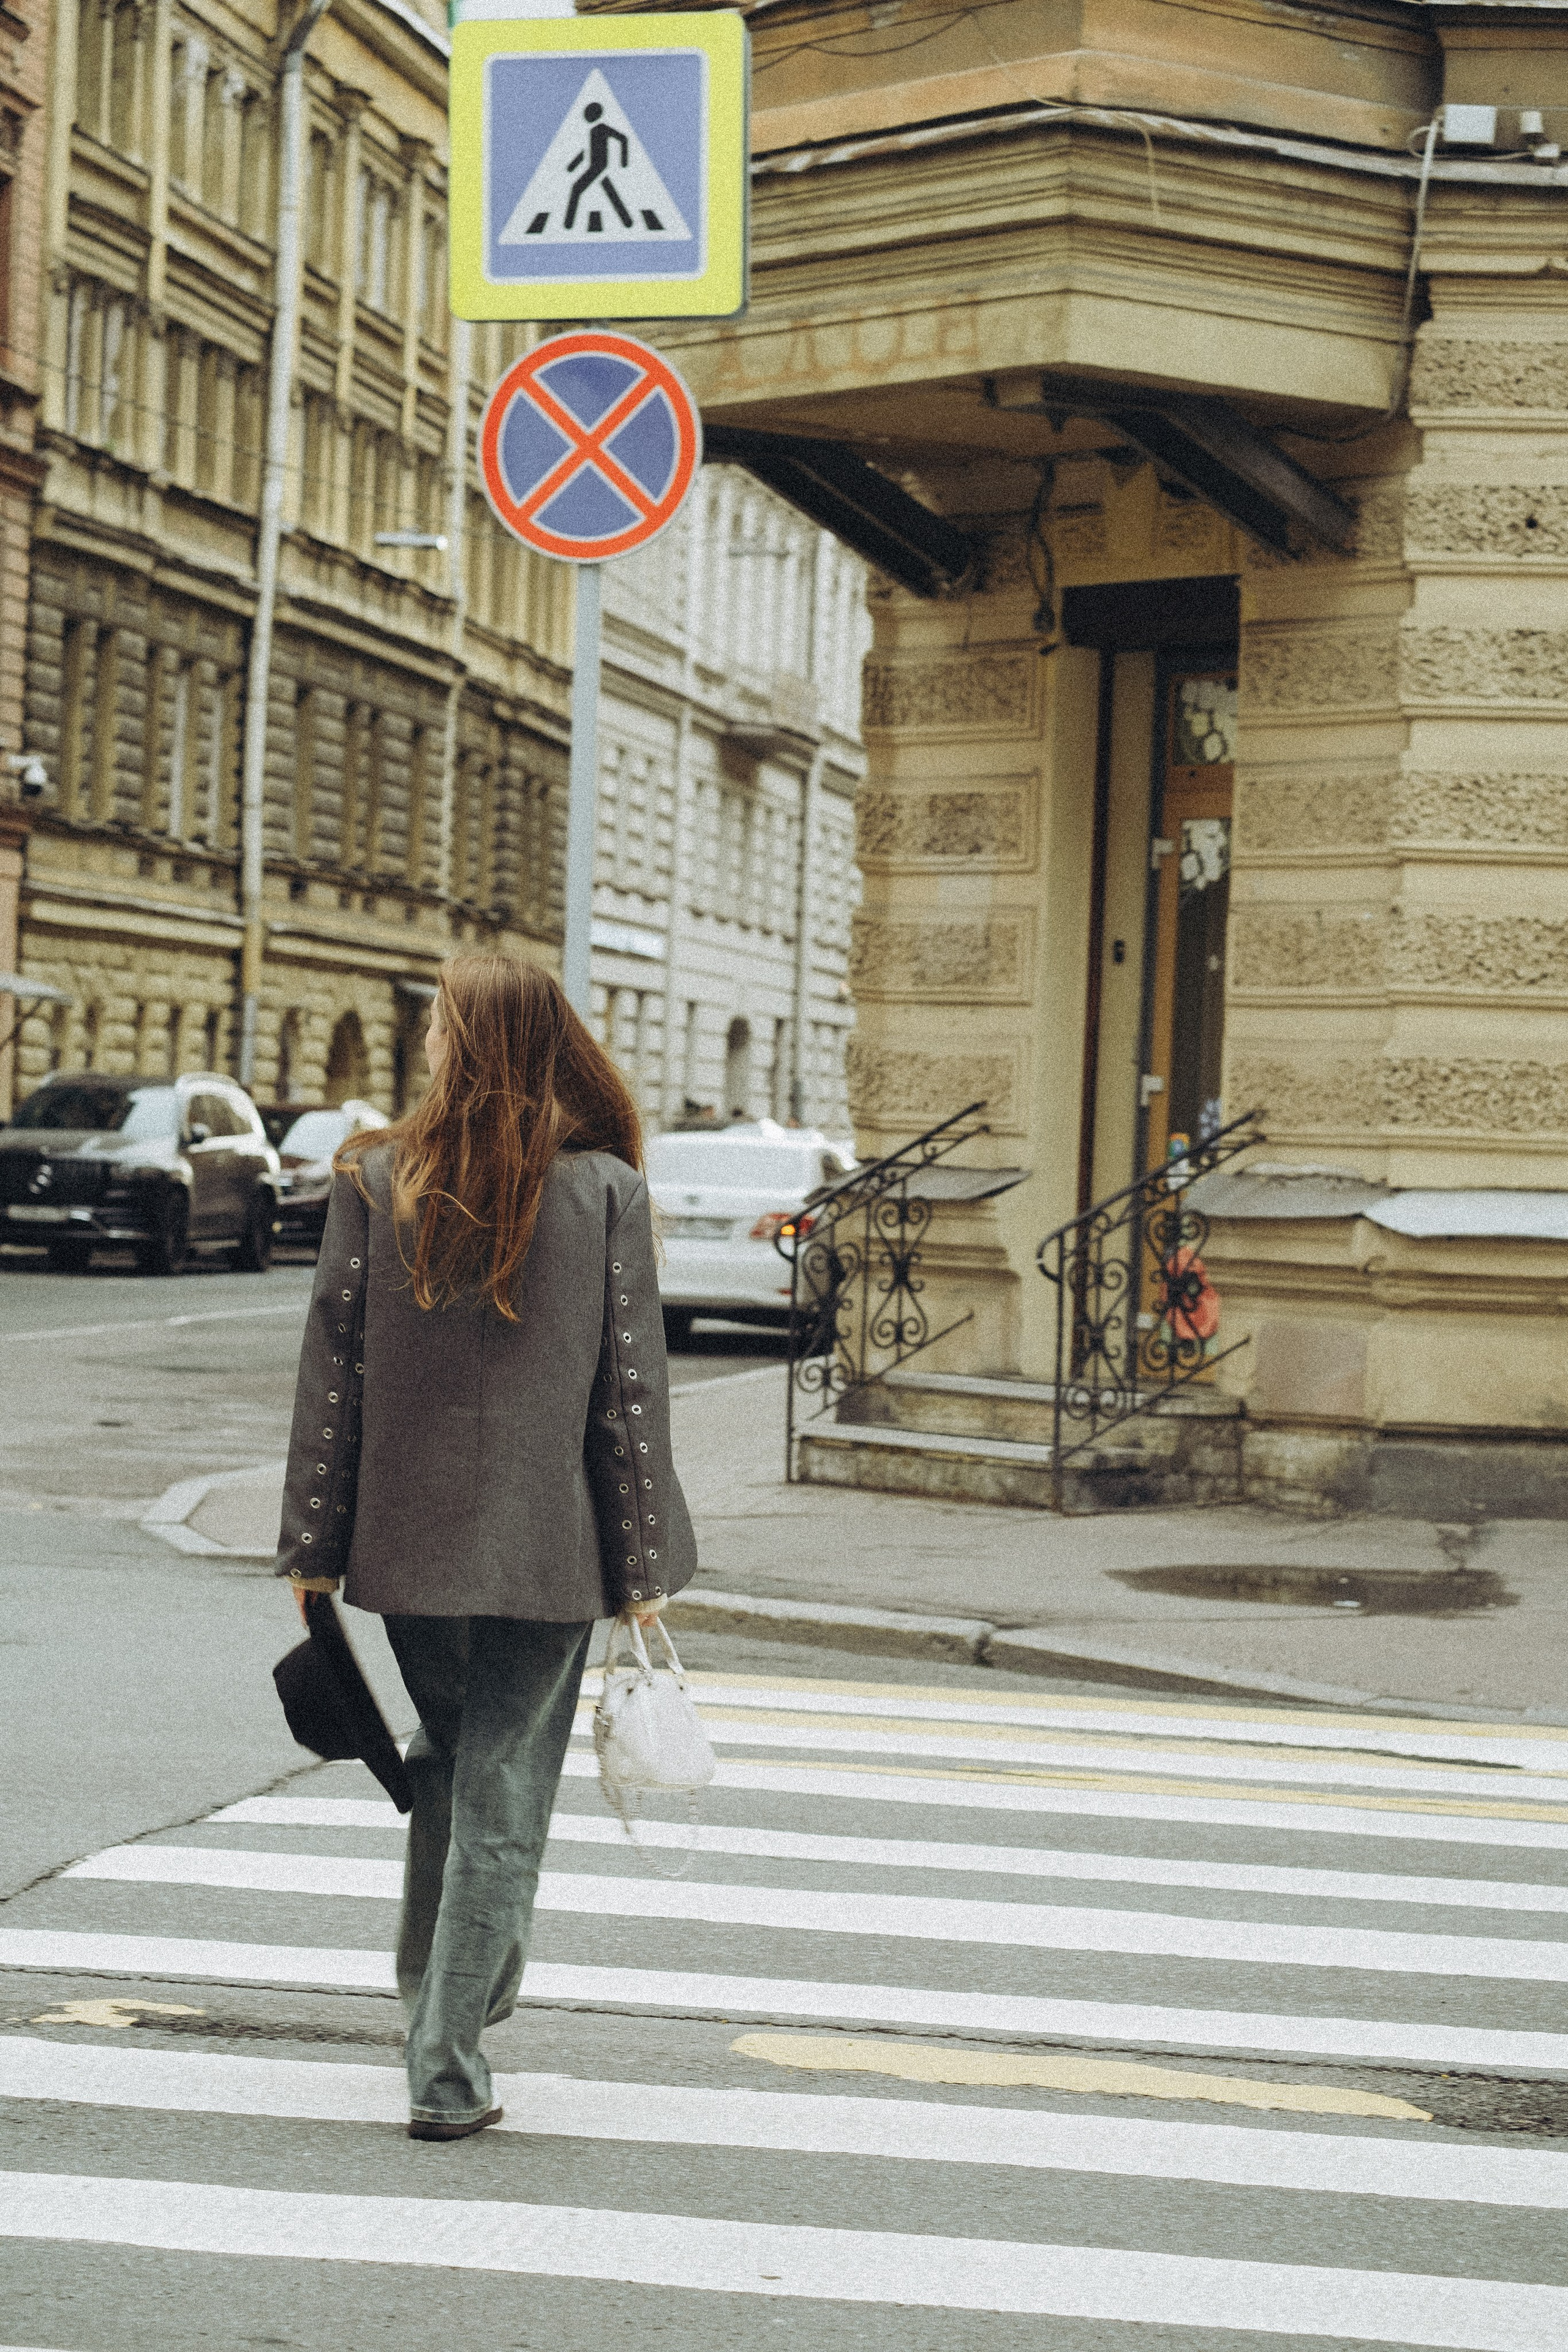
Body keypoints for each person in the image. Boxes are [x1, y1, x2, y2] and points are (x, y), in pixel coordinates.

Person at [274, 952, 695, 2141]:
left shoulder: (372, 1179)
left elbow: (332, 1379)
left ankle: (433, 1996)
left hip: (405, 1549)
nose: (423, 1046)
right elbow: (628, 1399)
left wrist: (312, 1549)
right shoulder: (604, 1190)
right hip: (546, 1550)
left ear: (466, 1043)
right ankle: (447, 2062)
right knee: (500, 1782)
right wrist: (642, 1569)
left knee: (452, 1759)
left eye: (438, 1027)